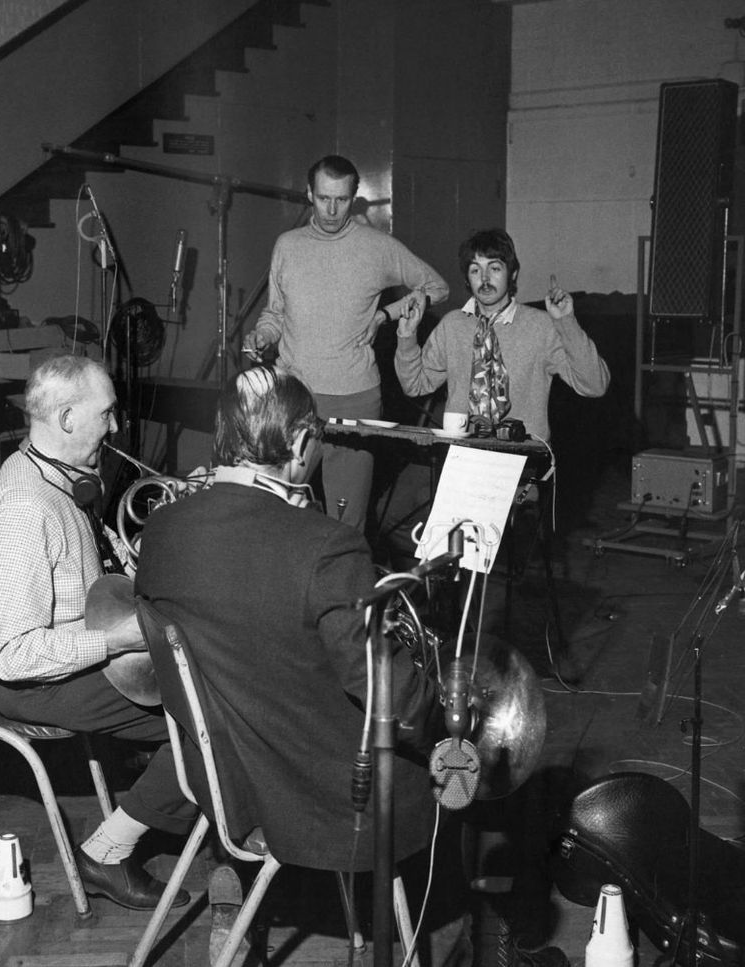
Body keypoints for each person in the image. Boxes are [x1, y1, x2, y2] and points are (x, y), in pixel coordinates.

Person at [134, 369, 471, 964]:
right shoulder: (327, 546)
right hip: (326, 804)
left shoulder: (162, 529)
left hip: (221, 785)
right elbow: (389, 695)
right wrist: (448, 716)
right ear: (298, 445)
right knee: (468, 769)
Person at [0, 353, 197, 910]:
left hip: (73, 659)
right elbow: (7, 653)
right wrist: (119, 640)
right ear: (68, 419)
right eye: (108, 414)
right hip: (36, 682)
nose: (117, 427)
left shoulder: (59, 476)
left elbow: (86, 586)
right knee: (212, 713)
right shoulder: (27, 505)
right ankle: (108, 851)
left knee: (212, 686)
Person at [243, 154, 449, 532]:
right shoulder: (287, 245)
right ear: (309, 194)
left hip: (354, 399)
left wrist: (386, 314)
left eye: (341, 199)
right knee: (275, 512)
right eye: (324, 199)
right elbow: (275, 314)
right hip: (293, 398)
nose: (332, 210)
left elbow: (437, 286)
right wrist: (262, 335)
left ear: (354, 197)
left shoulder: (376, 246)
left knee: (345, 525)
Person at [393, 227, 610, 441]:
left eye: (494, 268)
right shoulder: (452, 325)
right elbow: (414, 385)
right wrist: (407, 336)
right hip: (463, 454)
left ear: (512, 273)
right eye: (475, 270)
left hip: (523, 457)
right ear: (467, 279)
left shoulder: (540, 326)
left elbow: (594, 385)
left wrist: (566, 323)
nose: (484, 278)